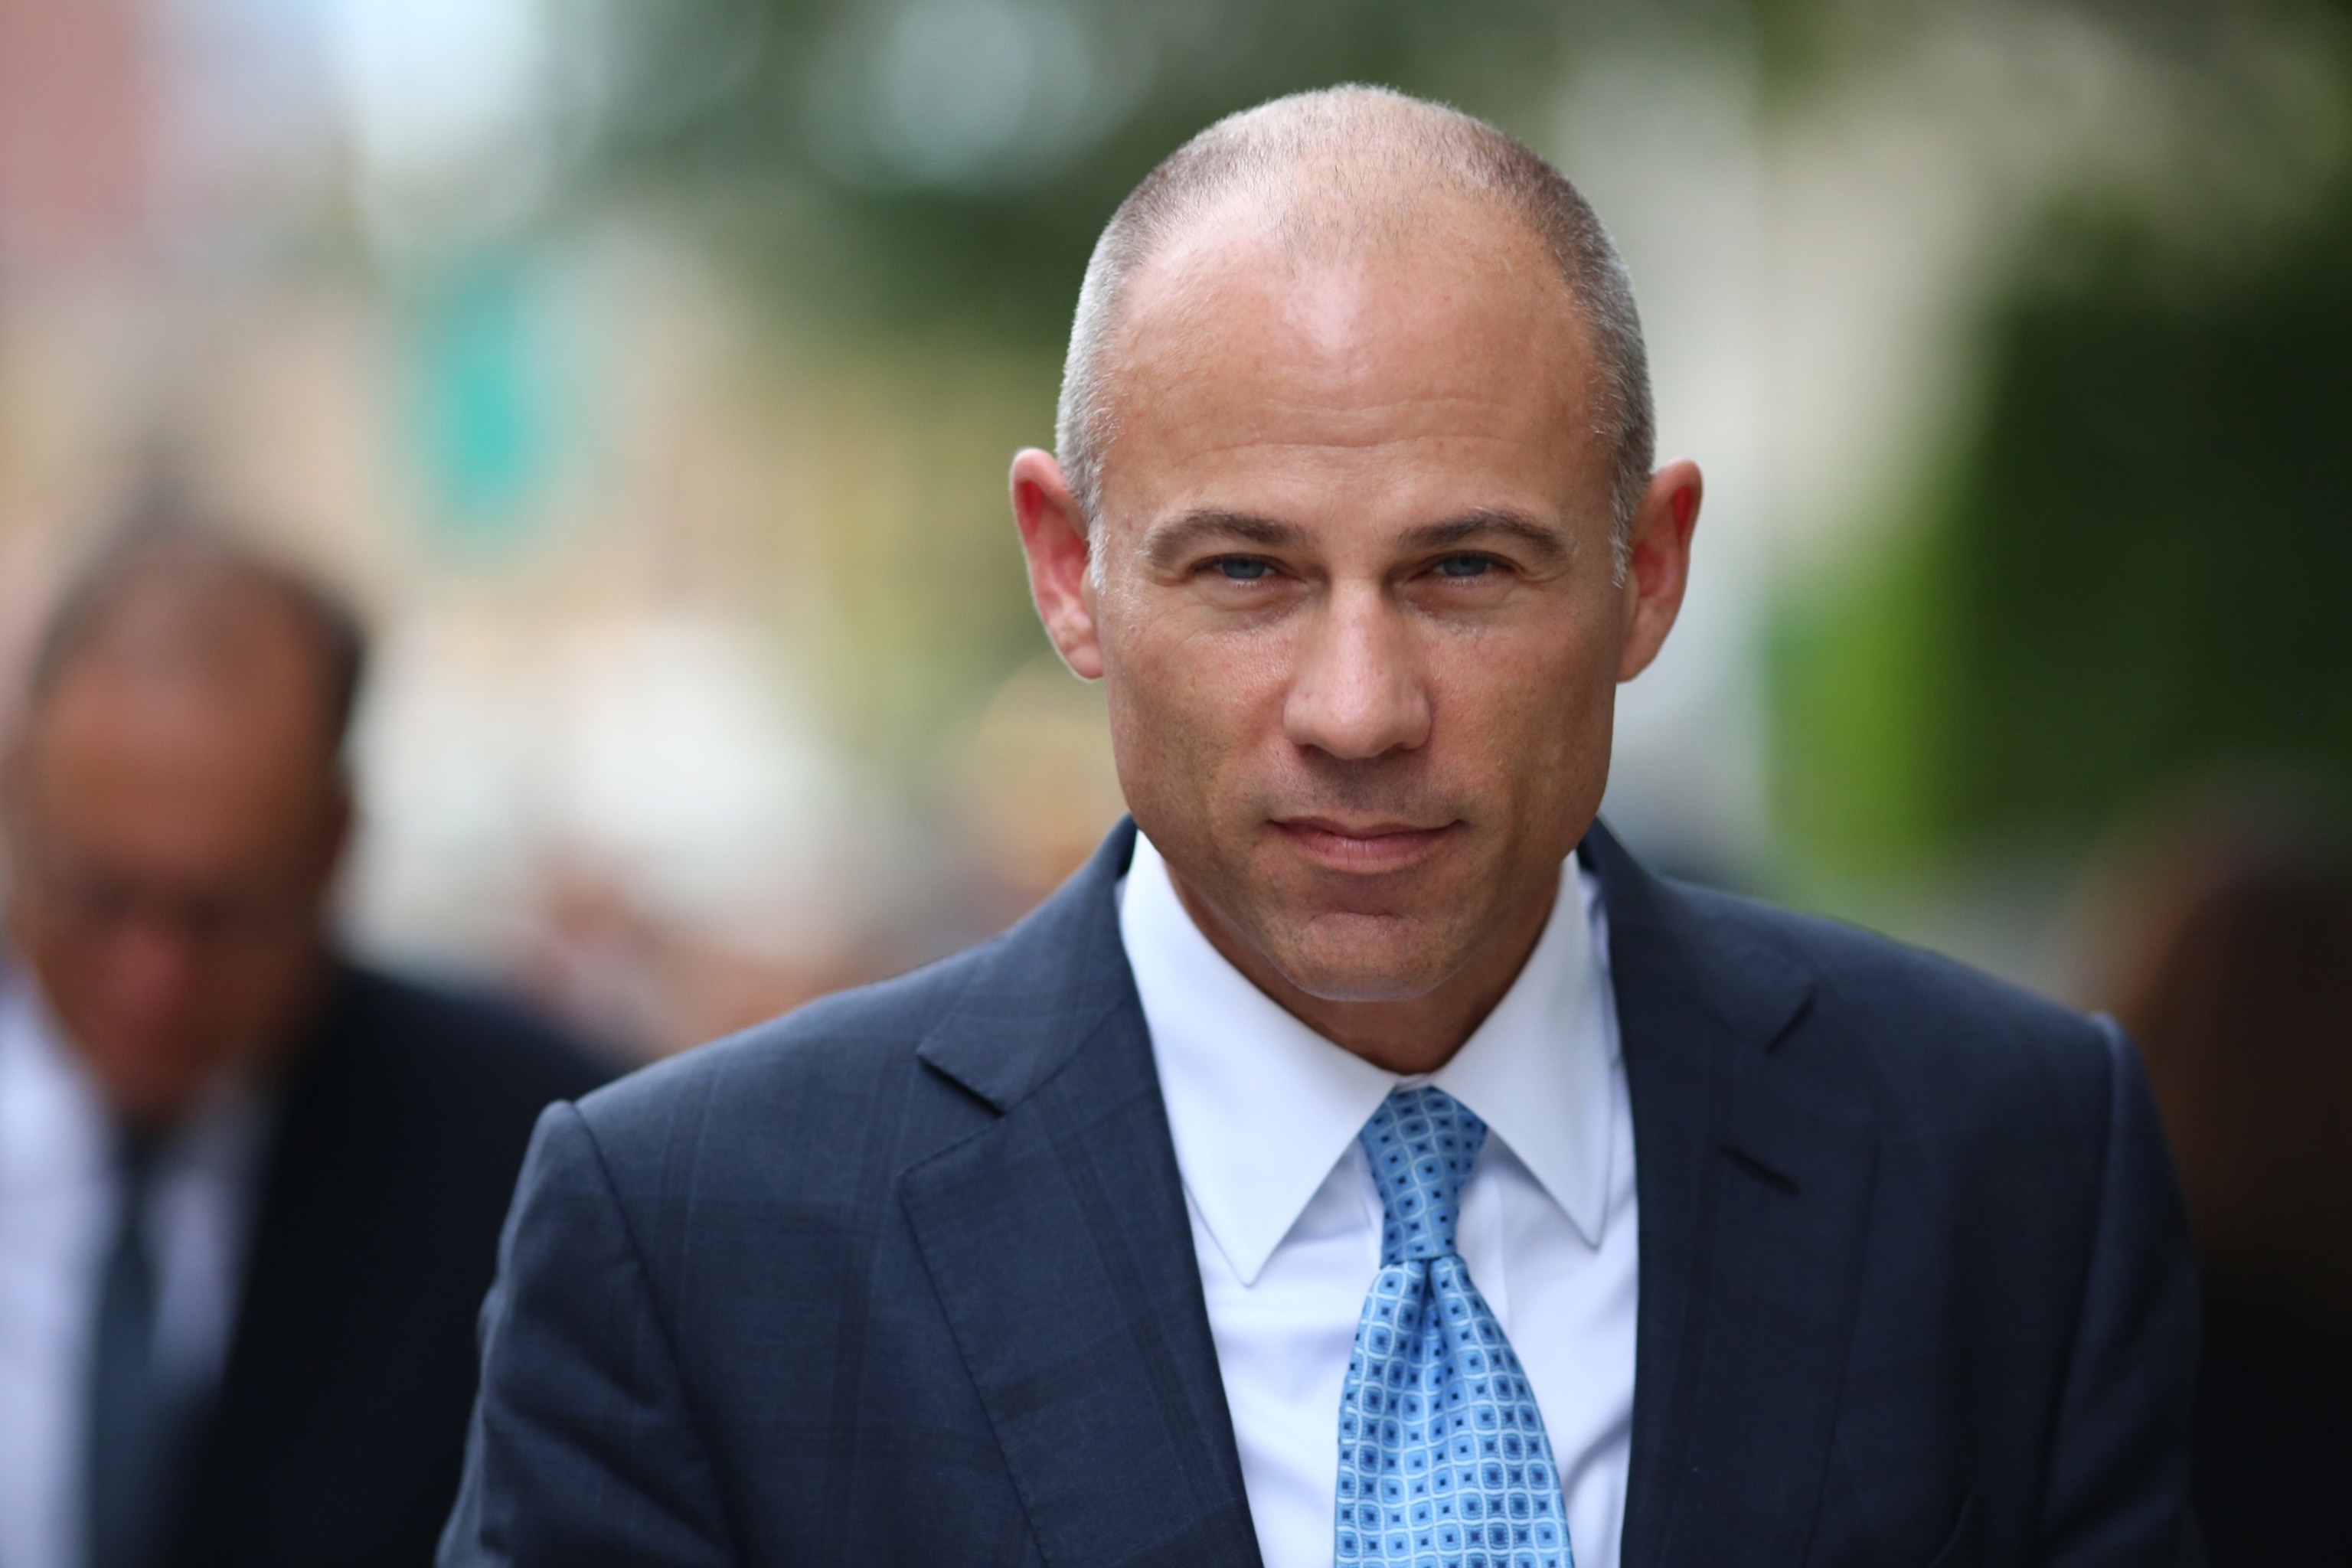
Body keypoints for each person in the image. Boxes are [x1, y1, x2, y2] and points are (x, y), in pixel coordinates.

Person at [442, 87, 2198, 1567]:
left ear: (1646, 575)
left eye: (1463, 568)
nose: (1359, 707)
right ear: (1071, 574)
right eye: (1248, 572)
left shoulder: (2012, 1165)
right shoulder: (695, 1243)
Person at [0, 528, 609, 1568]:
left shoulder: (523, 1156)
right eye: (99, 898)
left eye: (219, 916)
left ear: (333, 848)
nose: (152, 981)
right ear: (18, 802)